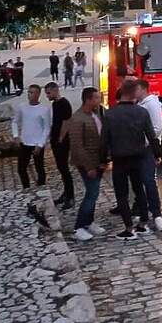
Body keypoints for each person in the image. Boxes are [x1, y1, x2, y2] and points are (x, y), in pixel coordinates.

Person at [101, 79, 160, 240]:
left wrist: (103, 160)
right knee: (139, 189)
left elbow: (104, 139)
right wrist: (157, 154)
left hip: (119, 158)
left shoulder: (110, 114)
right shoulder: (141, 112)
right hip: (138, 156)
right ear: (134, 93)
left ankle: (128, 227)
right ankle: (142, 223)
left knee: (122, 193)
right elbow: (151, 135)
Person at [68, 87, 107, 241]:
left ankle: (89, 222)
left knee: (94, 193)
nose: (100, 100)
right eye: (97, 98)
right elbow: (77, 146)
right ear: (88, 99)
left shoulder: (97, 113)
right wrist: (89, 166)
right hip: (87, 163)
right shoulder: (78, 119)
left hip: (98, 160)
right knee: (91, 194)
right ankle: (78, 227)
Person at [133, 79, 162, 231]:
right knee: (139, 181)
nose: (134, 92)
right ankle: (142, 209)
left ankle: (156, 214)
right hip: (137, 148)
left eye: (135, 89)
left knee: (149, 181)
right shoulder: (139, 104)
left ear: (142, 89)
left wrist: (144, 143)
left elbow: (156, 128)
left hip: (146, 148)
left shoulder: (151, 104)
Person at [11, 84, 51, 188]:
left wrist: (41, 144)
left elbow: (46, 128)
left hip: (37, 143)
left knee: (39, 168)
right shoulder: (22, 107)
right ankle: (26, 187)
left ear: (38, 94)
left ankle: (41, 187)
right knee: (21, 169)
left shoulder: (44, 109)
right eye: (28, 92)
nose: (29, 94)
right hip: (24, 142)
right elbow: (15, 121)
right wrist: (16, 136)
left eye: (32, 92)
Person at [44, 82, 74, 210]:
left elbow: (66, 122)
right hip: (56, 140)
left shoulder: (64, 103)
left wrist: (61, 138)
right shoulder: (55, 104)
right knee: (61, 168)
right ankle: (66, 193)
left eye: (48, 93)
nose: (47, 95)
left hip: (62, 141)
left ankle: (70, 196)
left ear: (55, 91)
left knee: (64, 169)